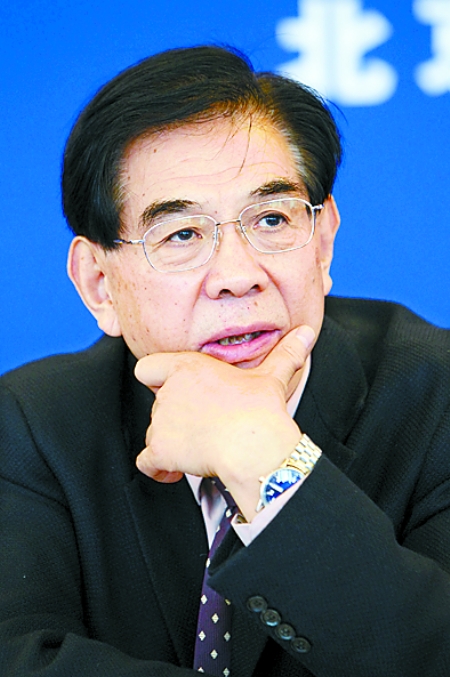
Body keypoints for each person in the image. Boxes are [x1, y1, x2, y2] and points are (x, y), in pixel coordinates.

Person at [1, 44, 450, 677]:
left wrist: (267, 465)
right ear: (99, 285)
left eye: (271, 219)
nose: (238, 276)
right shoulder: (30, 429)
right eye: (182, 234)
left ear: (322, 244)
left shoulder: (436, 397)